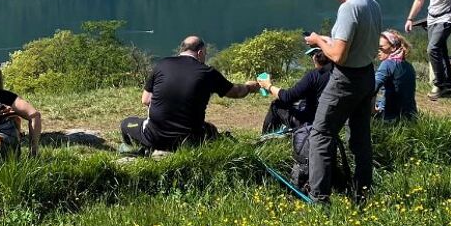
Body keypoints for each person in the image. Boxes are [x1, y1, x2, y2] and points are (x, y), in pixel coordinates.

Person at [305, 0, 382, 202]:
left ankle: (318, 197)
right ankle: (362, 195)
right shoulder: (372, 3)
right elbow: (357, 42)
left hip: (345, 80)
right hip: (367, 75)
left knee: (320, 134)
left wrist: (318, 40)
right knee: (360, 139)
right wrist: (330, 40)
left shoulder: (349, 8)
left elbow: (338, 55)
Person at [121, 36, 258, 153]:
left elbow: (145, 100)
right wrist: (249, 87)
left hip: (155, 136)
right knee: (210, 129)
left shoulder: (162, 65)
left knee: (126, 123)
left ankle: (140, 149)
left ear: (182, 50)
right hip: (189, 140)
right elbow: (237, 92)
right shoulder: (207, 73)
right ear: (200, 52)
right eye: (205, 54)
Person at [259, 46, 332, 134]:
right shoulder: (340, 74)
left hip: (311, 123)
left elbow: (287, 97)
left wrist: (268, 86)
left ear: (315, 58)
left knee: (277, 105)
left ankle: (265, 138)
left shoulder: (314, 76)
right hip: (333, 122)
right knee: (300, 103)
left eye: (312, 55)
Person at [374, 30, 417, 121]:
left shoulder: (387, 64)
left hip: (390, 118)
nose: (378, 51)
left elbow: (373, 87)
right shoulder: (409, 66)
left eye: (381, 47)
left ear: (393, 47)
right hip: (410, 117)